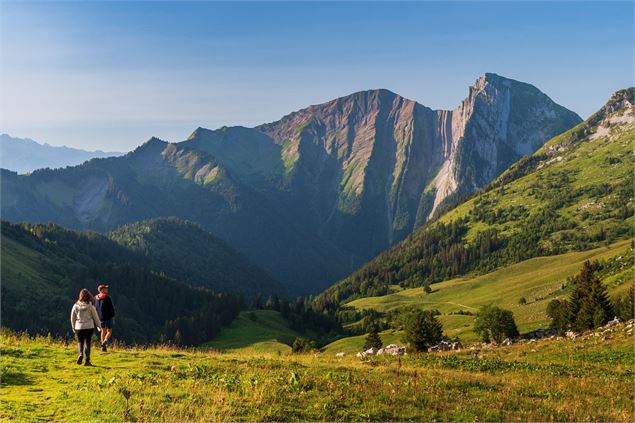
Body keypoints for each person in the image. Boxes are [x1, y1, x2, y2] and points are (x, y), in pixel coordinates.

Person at [70, 289, 101, 366]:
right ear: (89, 296)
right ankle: (87, 361)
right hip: (89, 327)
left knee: (80, 342)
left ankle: (80, 354)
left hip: (79, 327)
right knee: (87, 342)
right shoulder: (91, 306)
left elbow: (72, 317)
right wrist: (99, 326)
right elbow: (95, 317)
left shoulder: (76, 305)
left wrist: (73, 327)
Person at [95, 284, 116, 351]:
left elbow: (94, 308)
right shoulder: (107, 297)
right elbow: (111, 308)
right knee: (109, 331)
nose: (107, 289)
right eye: (105, 288)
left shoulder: (95, 298)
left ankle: (103, 347)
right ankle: (105, 341)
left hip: (100, 318)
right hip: (109, 317)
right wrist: (113, 315)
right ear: (102, 290)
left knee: (103, 331)